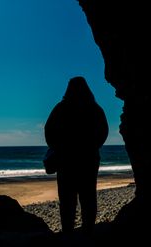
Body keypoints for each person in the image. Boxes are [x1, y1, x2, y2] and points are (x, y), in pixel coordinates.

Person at [44, 76, 109, 233]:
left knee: (67, 200)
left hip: (65, 161)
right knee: (88, 197)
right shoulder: (95, 109)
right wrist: (92, 146)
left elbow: (48, 131)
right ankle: (88, 231)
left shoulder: (60, 108)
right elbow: (103, 132)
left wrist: (59, 147)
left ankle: (68, 232)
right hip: (89, 160)